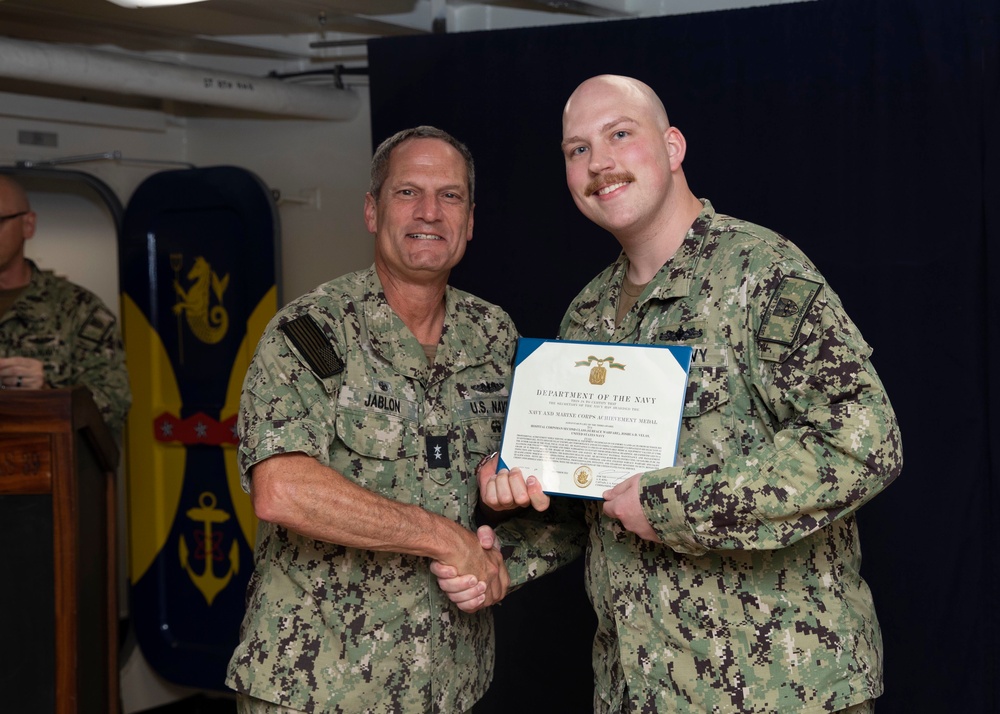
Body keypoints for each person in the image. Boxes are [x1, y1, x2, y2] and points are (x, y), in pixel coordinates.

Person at [448, 75, 904, 713]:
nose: (598, 162)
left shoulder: (762, 274)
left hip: (781, 688)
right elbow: (597, 506)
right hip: (640, 689)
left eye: (620, 135)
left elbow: (864, 443)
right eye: (577, 150)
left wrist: (672, 505)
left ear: (672, 146)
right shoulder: (587, 317)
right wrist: (511, 522)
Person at [226, 126, 531, 714]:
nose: (429, 212)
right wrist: (446, 538)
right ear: (372, 210)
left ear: (470, 220)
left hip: (448, 682)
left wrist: (497, 550)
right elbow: (281, 489)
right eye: (407, 192)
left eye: (450, 196)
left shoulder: (496, 335)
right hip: (319, 684)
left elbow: (510, 485)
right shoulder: (311, 331)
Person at [0, 174, 131, 440]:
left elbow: (114, 407)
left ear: (28, 225)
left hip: (46, 471)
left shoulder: (79, 311)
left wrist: (48, 393)